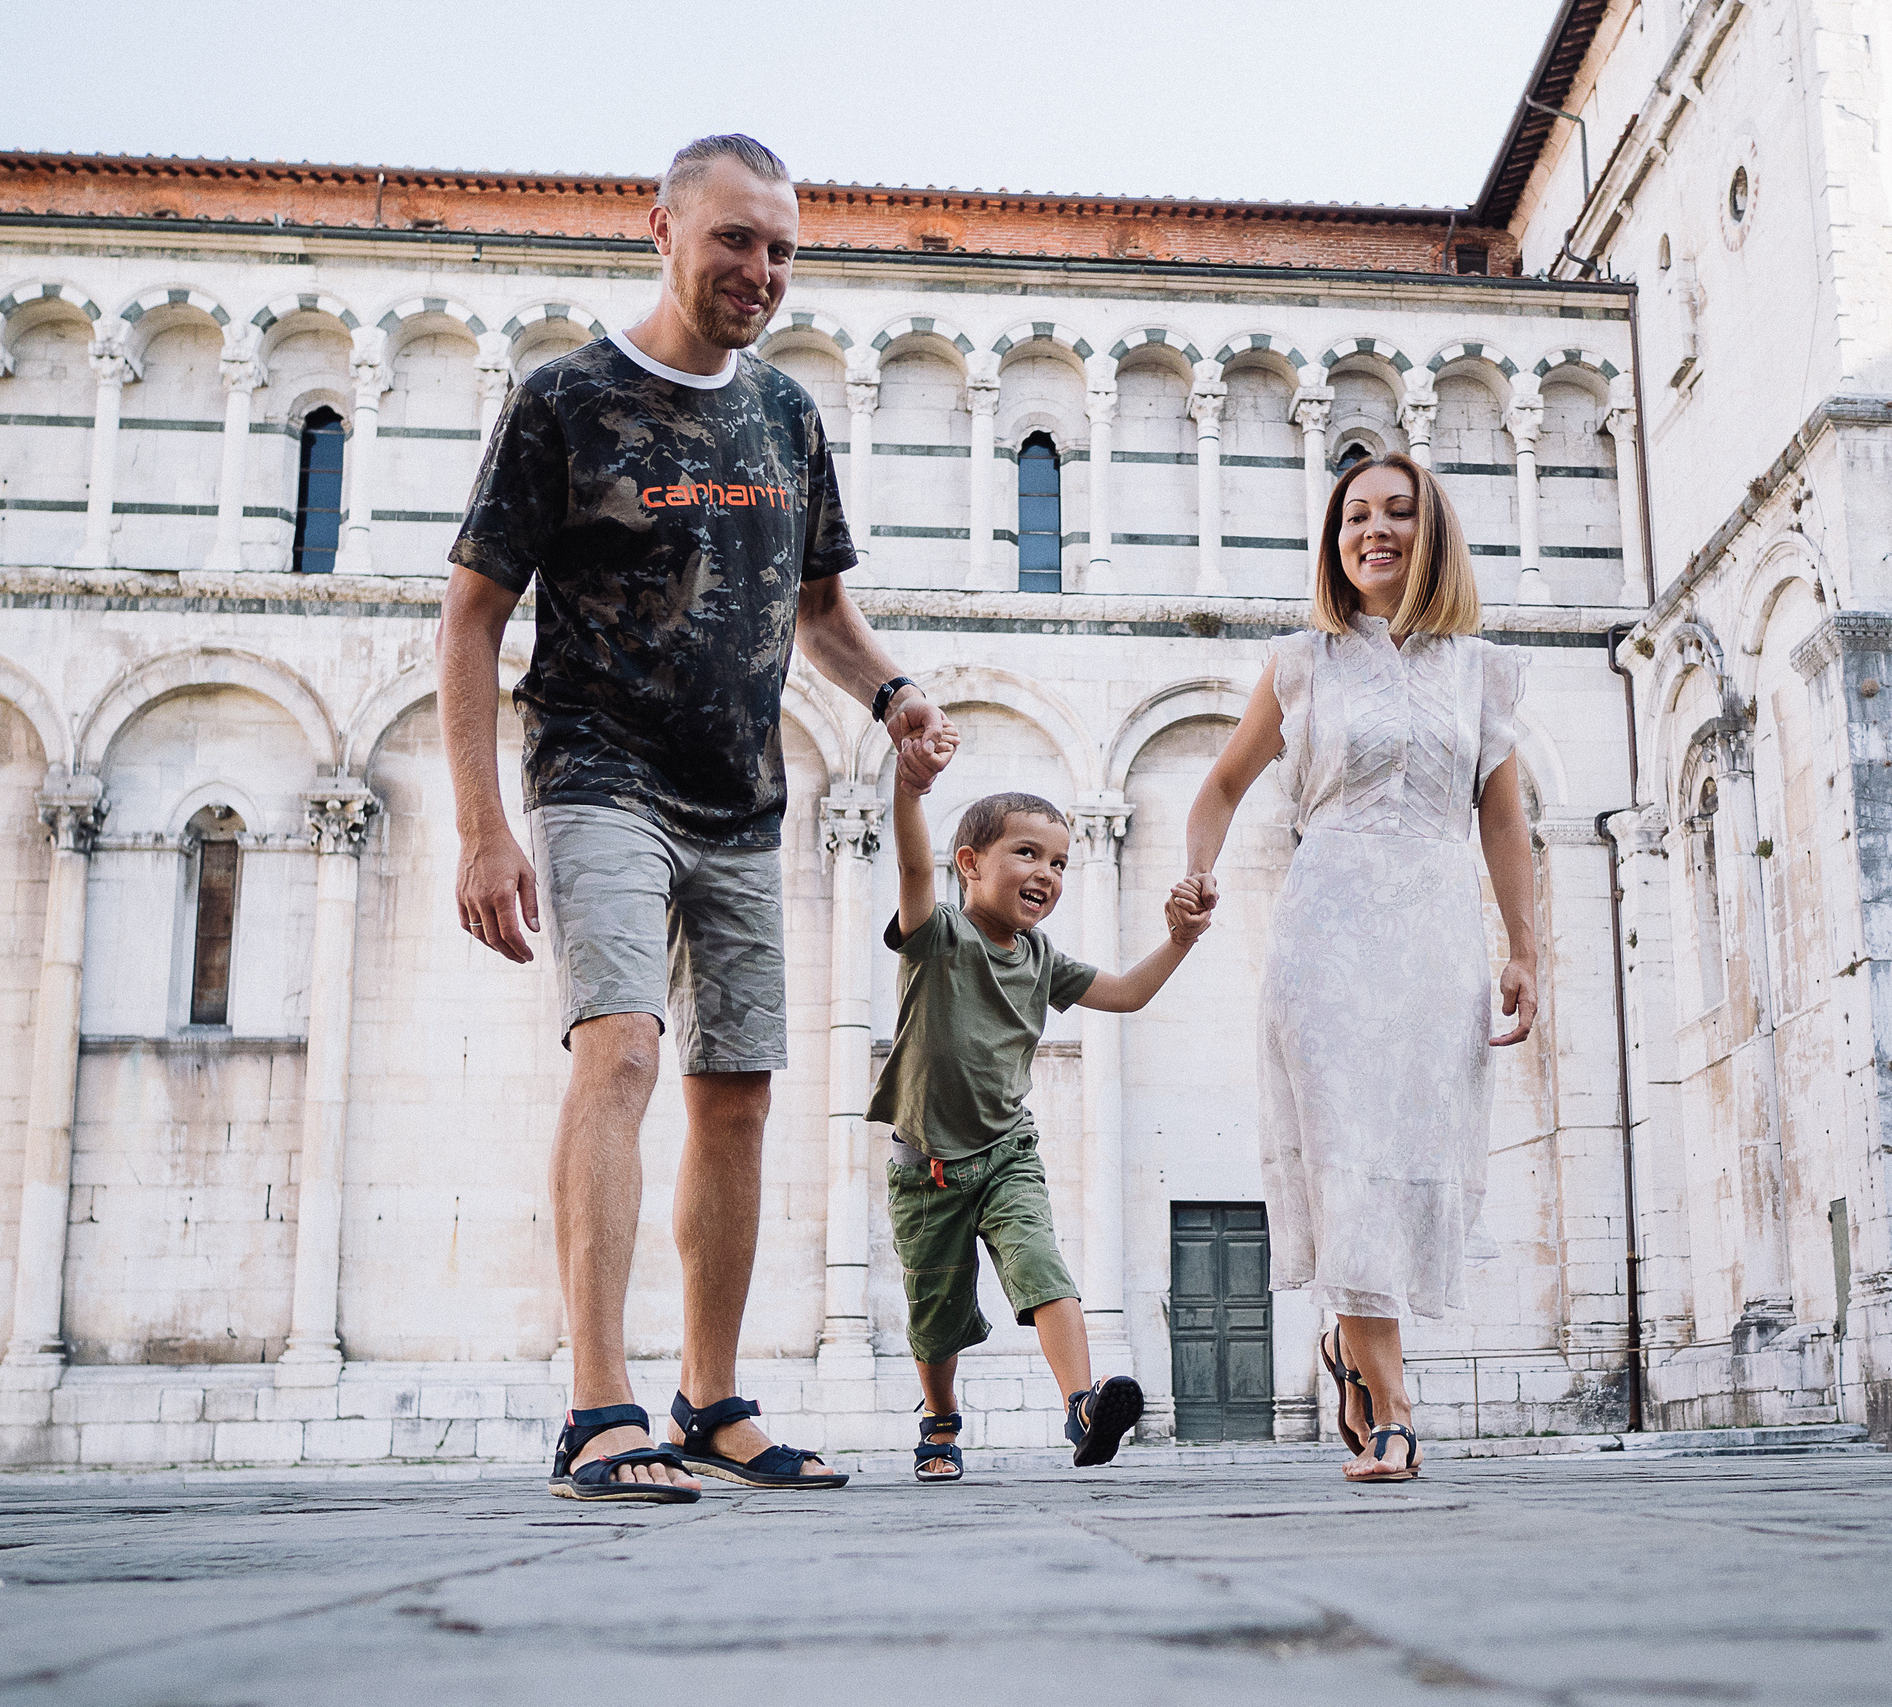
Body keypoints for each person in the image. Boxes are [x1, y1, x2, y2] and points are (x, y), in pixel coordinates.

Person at [440, 132, 957, 1504]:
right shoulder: (566, 399)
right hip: (597, 771)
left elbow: (821, 610)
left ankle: (711, 1399)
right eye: (735, 238)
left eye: (781, 248)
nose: (761, 270)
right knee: (619, 1050)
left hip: (740, 796)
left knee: (739, 1094)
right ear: (661, 229)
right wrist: (482, 825)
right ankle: (596, 1407)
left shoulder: (785, 415)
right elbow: (471, 614)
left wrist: (894, 693)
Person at [1179, 452, 1535, 1483]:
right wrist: (1195, 874)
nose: (1373, 531)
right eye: (1353, 518)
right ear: (1334, 545)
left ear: (1434, 534)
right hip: (1325, 931)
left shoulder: (1482, 672)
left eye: (1397, 513)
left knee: (1409, 1152)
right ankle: (1394, 1408)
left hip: (1434, 934)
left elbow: (1502, 820)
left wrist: (1524, 950)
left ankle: (1348, 1347)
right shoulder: (1303, 663)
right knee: (1347, 1157)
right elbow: (1220, 785)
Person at [873, 762, 1213, 1482]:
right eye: (1026, 853)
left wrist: (1180, 940)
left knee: (1042, 1267)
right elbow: (912, 867)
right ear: (969, 863)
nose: (1047, 873)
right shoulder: (938, 935)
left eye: (1059, 862)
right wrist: (909, 788)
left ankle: (1081, 1407)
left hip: (1007, 1152)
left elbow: (1125, 993)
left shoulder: (1040, 956)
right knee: (935, 1314)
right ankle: (940, 1418)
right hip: (926, 1170)